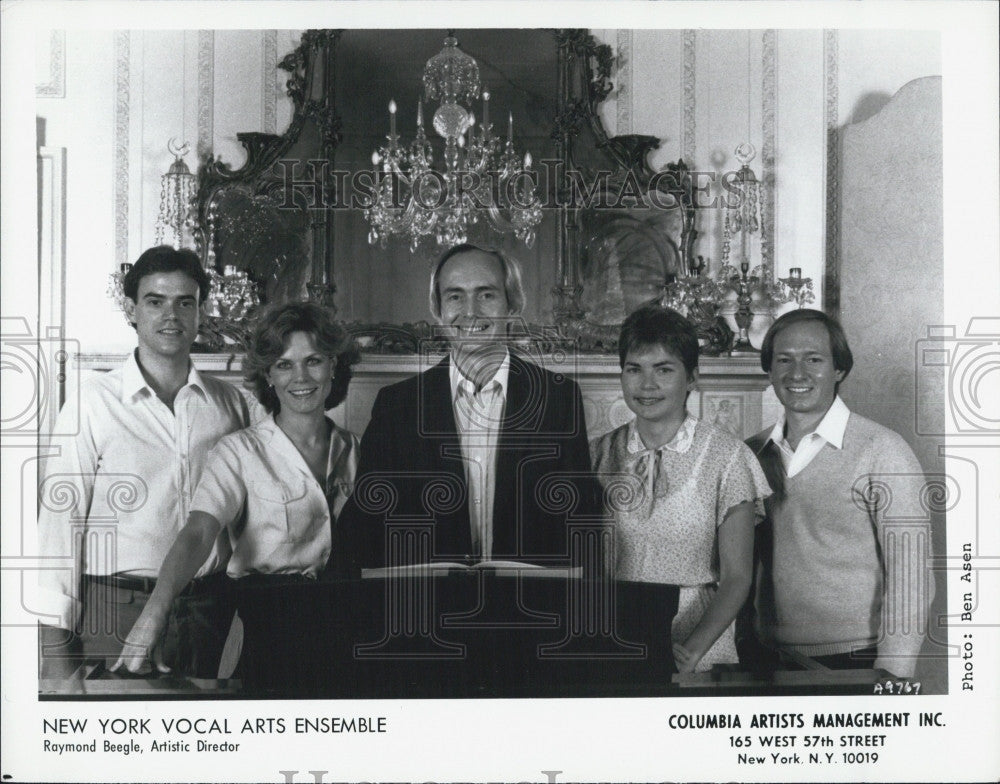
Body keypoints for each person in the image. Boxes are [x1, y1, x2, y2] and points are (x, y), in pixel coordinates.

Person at [37, 246, 249, 679]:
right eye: (155, 301)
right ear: (133, 309)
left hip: (210, 611)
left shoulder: (231, 405)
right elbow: (59, 528)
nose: (170, 315)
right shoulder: (93, 403)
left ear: (200, 313)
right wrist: (55, 654)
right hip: (115, 608)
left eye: (184, 302)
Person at [114, 302, 360, 674]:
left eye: (314, 360)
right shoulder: (239, 451)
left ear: (334, 366)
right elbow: (198, 532)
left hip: (344, 625)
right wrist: (155, 613)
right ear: (269, 376)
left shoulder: (355, 448)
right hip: (265, 630)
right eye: (284, 364)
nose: (301, 377)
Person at [333, 243, 600, 574]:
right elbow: (366, 525)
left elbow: (581, 522)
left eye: (486, 294)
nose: (470, 311)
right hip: (425, 614)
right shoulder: (397, 406)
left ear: (513, 304)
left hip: (529, 612)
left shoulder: (558, 399)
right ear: (439, 309)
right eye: (455, 296)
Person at [746, 309, 933, 677]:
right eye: (784, 360)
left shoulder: (883, 450)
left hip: (859, 660)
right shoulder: (751, 453)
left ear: (839, 370)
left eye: (813, 359)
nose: (796, 373)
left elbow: (911, 575)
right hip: (767, 658)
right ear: (769, 371)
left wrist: (893, 673)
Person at [590, 305, 771, 673]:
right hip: (613, 640)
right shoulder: (596, 455)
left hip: (699, 647)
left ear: (692, 378)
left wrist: (690, 653)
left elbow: (737, 577)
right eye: (634, 369)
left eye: (664, 370)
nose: (647, 385)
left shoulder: (727, 457)